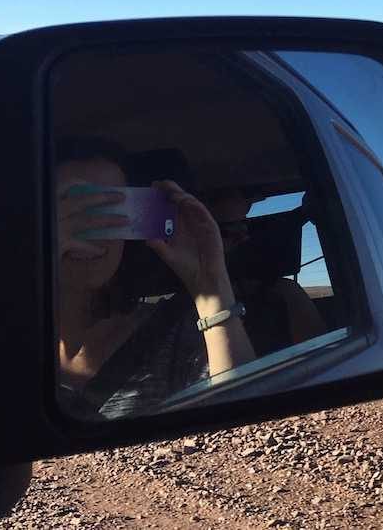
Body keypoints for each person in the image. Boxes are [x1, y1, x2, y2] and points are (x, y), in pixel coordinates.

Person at [53, 138, 256, 419]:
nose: (95, 230)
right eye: (74, 211)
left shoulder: (178, 333)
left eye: (114, 211)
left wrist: (210, 283)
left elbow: (245, 428)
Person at [203, 188, 328, 351]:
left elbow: (316, 354)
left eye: (245, 226)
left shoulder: (284, 295)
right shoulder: (181, 308)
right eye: (226, 231)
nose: (244, 238)